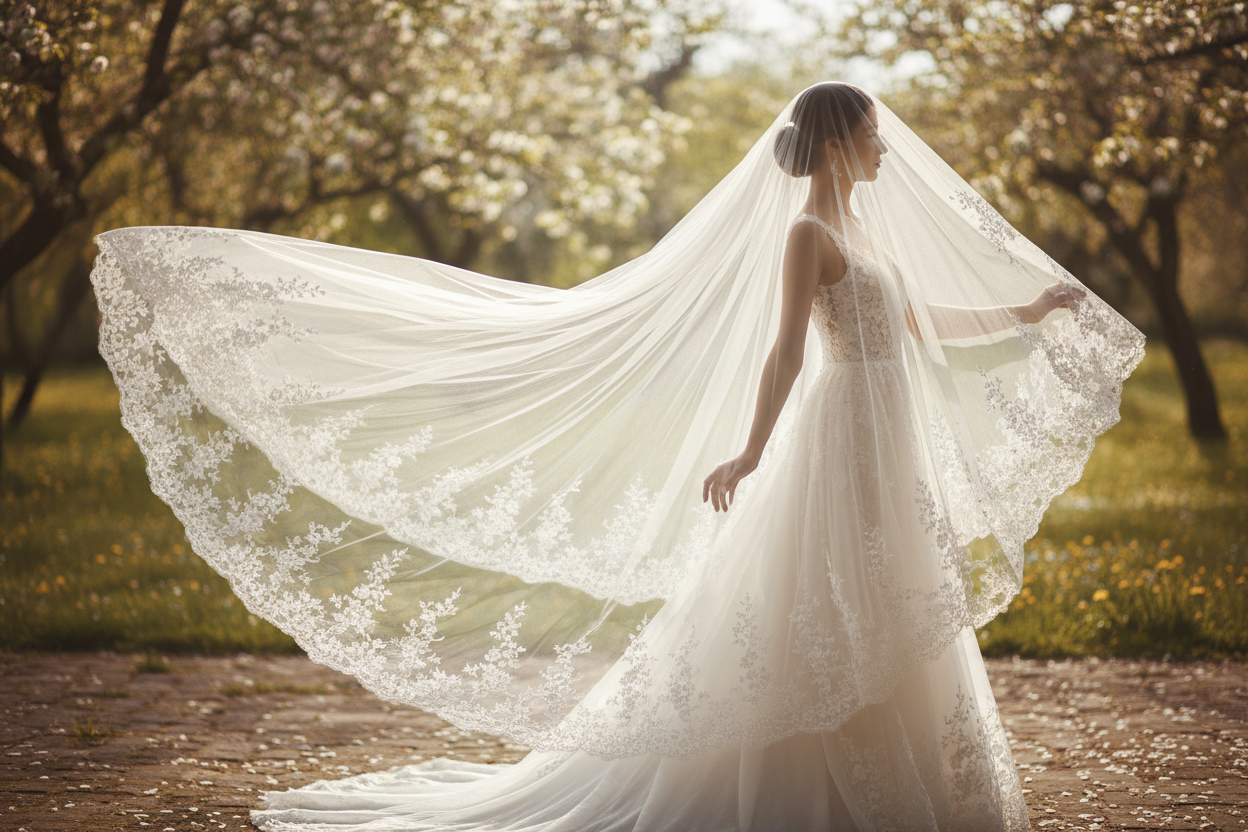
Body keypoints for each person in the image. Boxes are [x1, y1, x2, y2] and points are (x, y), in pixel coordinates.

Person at [91, 82, 1144, 831]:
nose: (885, 149)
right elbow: (784, 351)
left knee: (892, 596)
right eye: (872, 134)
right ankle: (804, 795)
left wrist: (1029, 308)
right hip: (837, 437)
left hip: (889, 437)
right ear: (835, 143)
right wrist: (746, 449)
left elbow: (922, 326)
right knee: (825, 601)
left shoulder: (873, 237)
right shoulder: (806, 238)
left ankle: (909, 784)